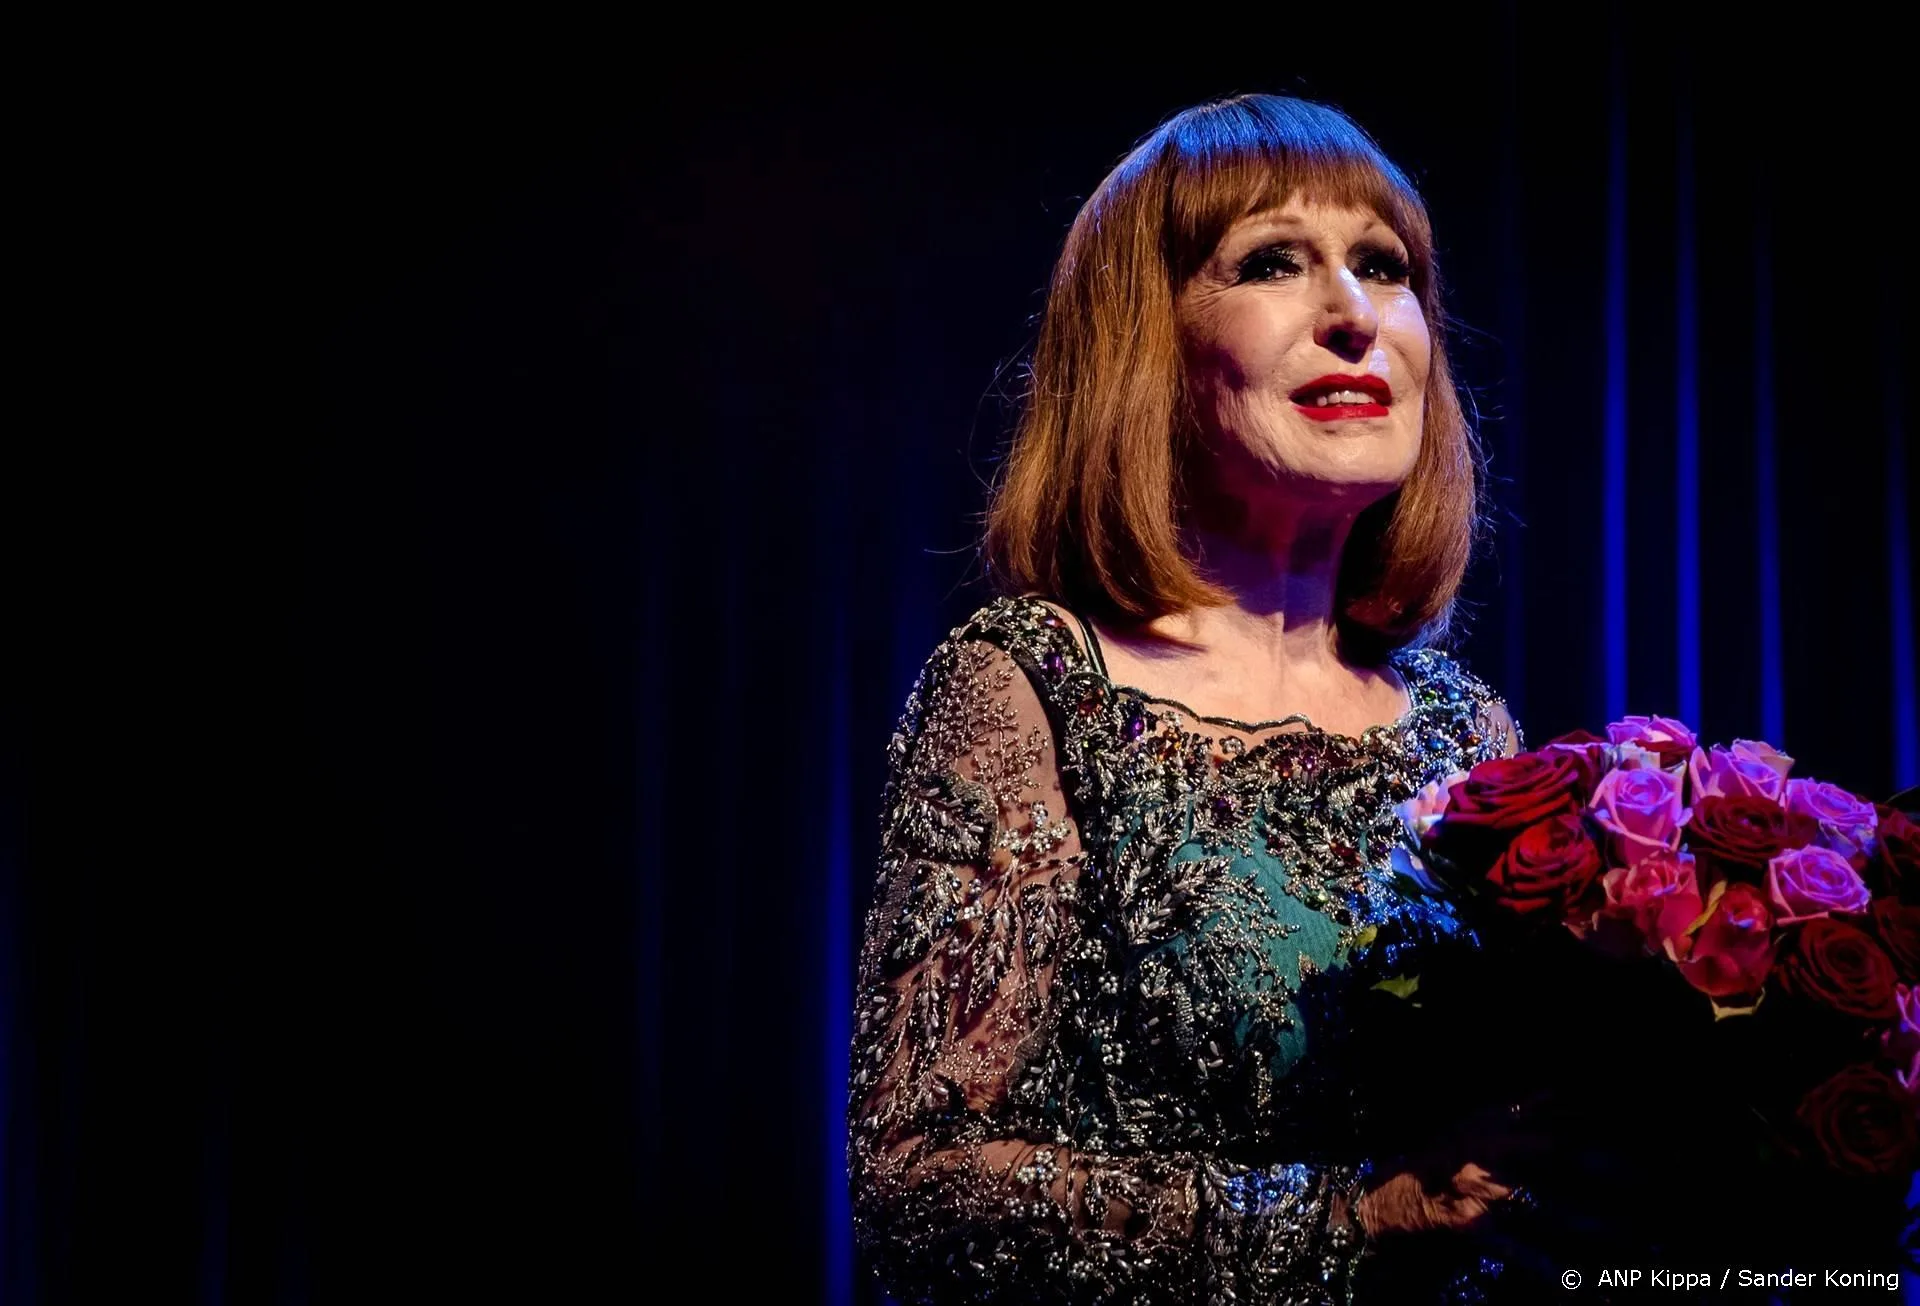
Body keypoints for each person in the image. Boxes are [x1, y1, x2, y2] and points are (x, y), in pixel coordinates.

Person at [846, 94, 1539, 1305]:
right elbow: (919, 1187)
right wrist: (1356, 1218)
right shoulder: (1033, 686)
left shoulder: (1468, 732)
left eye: (1384, 267)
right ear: (1145, 343)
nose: (1354, 315)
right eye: (1274, 261)